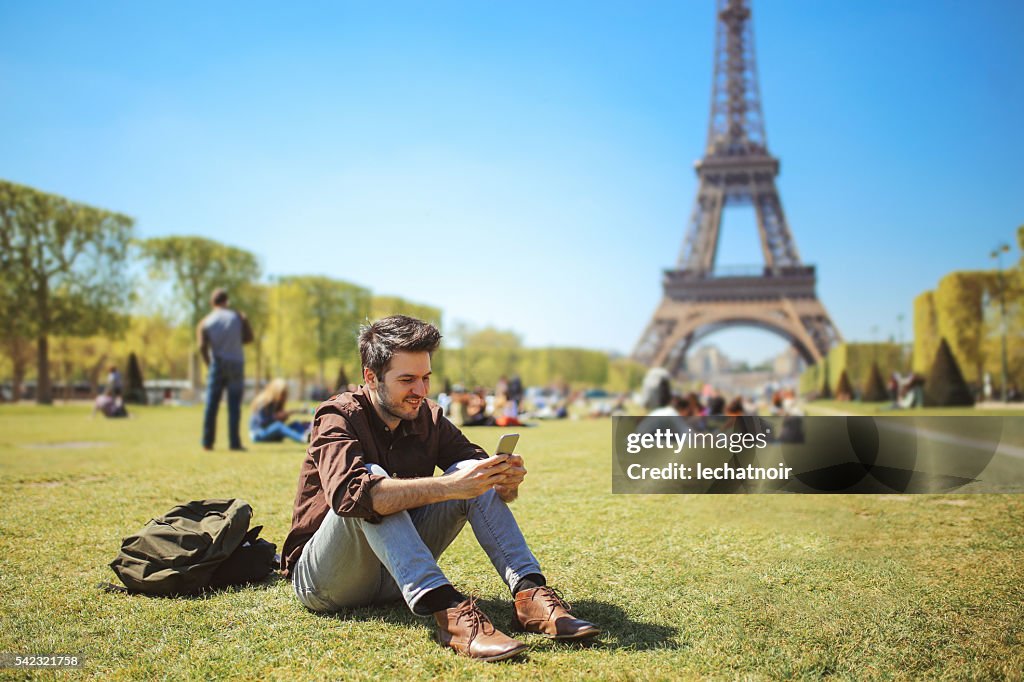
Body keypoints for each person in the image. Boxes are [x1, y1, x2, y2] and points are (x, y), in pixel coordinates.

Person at [282, 315, 600, 662]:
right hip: (326, 581)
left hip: (394, 579)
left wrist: (503, 481)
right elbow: (351, 497)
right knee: (370, 486)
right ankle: (448, 611)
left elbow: (480, 483)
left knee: (472, 469)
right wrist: (450, 486)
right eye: (407, 380)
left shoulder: (428, 416)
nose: (420, 391)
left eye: (425, 378)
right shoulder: (337, 416)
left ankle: (529, 594)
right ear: (370, 377)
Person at [197, 288, 253, 451]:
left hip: (218, 363)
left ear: (212, 303)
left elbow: (201, 345)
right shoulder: (237, 317)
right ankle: (234, 443)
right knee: (234, 405)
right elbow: (249, 338)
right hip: (236, 363)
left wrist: (208, 363)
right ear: (226, 302)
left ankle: (207, 442)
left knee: (211, 404)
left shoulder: (205, 322)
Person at [250, 379, 309, 444]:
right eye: (282, 394)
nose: (283, 397)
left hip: (270, 432)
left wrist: (284, 416)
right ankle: (302, 438)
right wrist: (275, 417)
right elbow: (262, 422)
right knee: (278, 426)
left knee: (295, 424)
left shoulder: (276, 403)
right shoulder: (264, 402)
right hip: (258, 434)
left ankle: (309, 437)